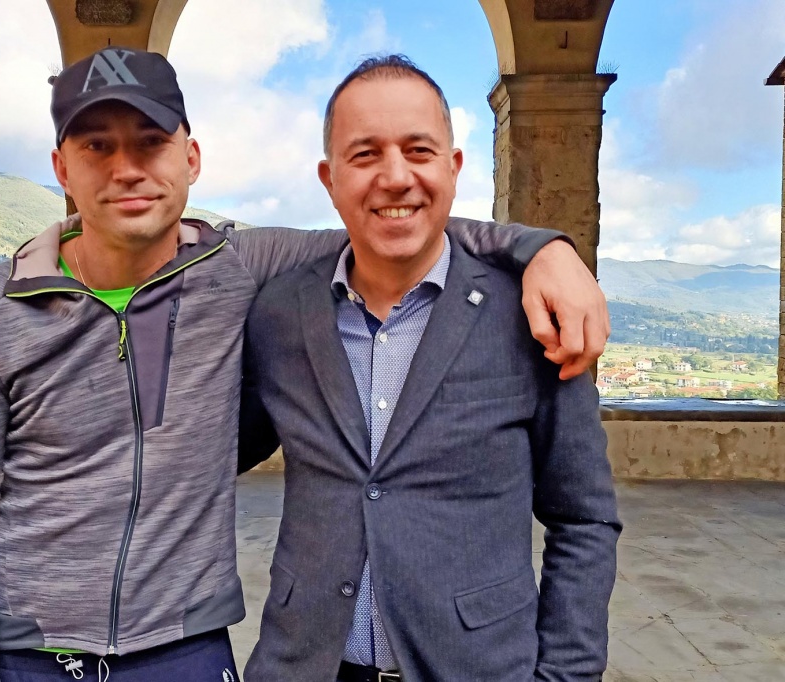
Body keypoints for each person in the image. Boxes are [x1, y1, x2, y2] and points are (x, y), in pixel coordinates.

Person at [0, 47, 610, 682]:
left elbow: (394, 220)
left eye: (151, 142)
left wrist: (546, 248)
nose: (126, 168)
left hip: (186, 645)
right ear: (62, 167)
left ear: (191, 158)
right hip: (32, 649)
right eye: (97, 145)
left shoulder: (242, 269)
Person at [241, 55, 621, 682]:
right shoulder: (280, 313)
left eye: (418, 150)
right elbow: (219, 447)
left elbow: (583, 518)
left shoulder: (529, 316)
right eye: (365, 154)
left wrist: (566, 675)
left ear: (454, 167)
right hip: (303, 664)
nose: (395, 177)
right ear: (329, 178)